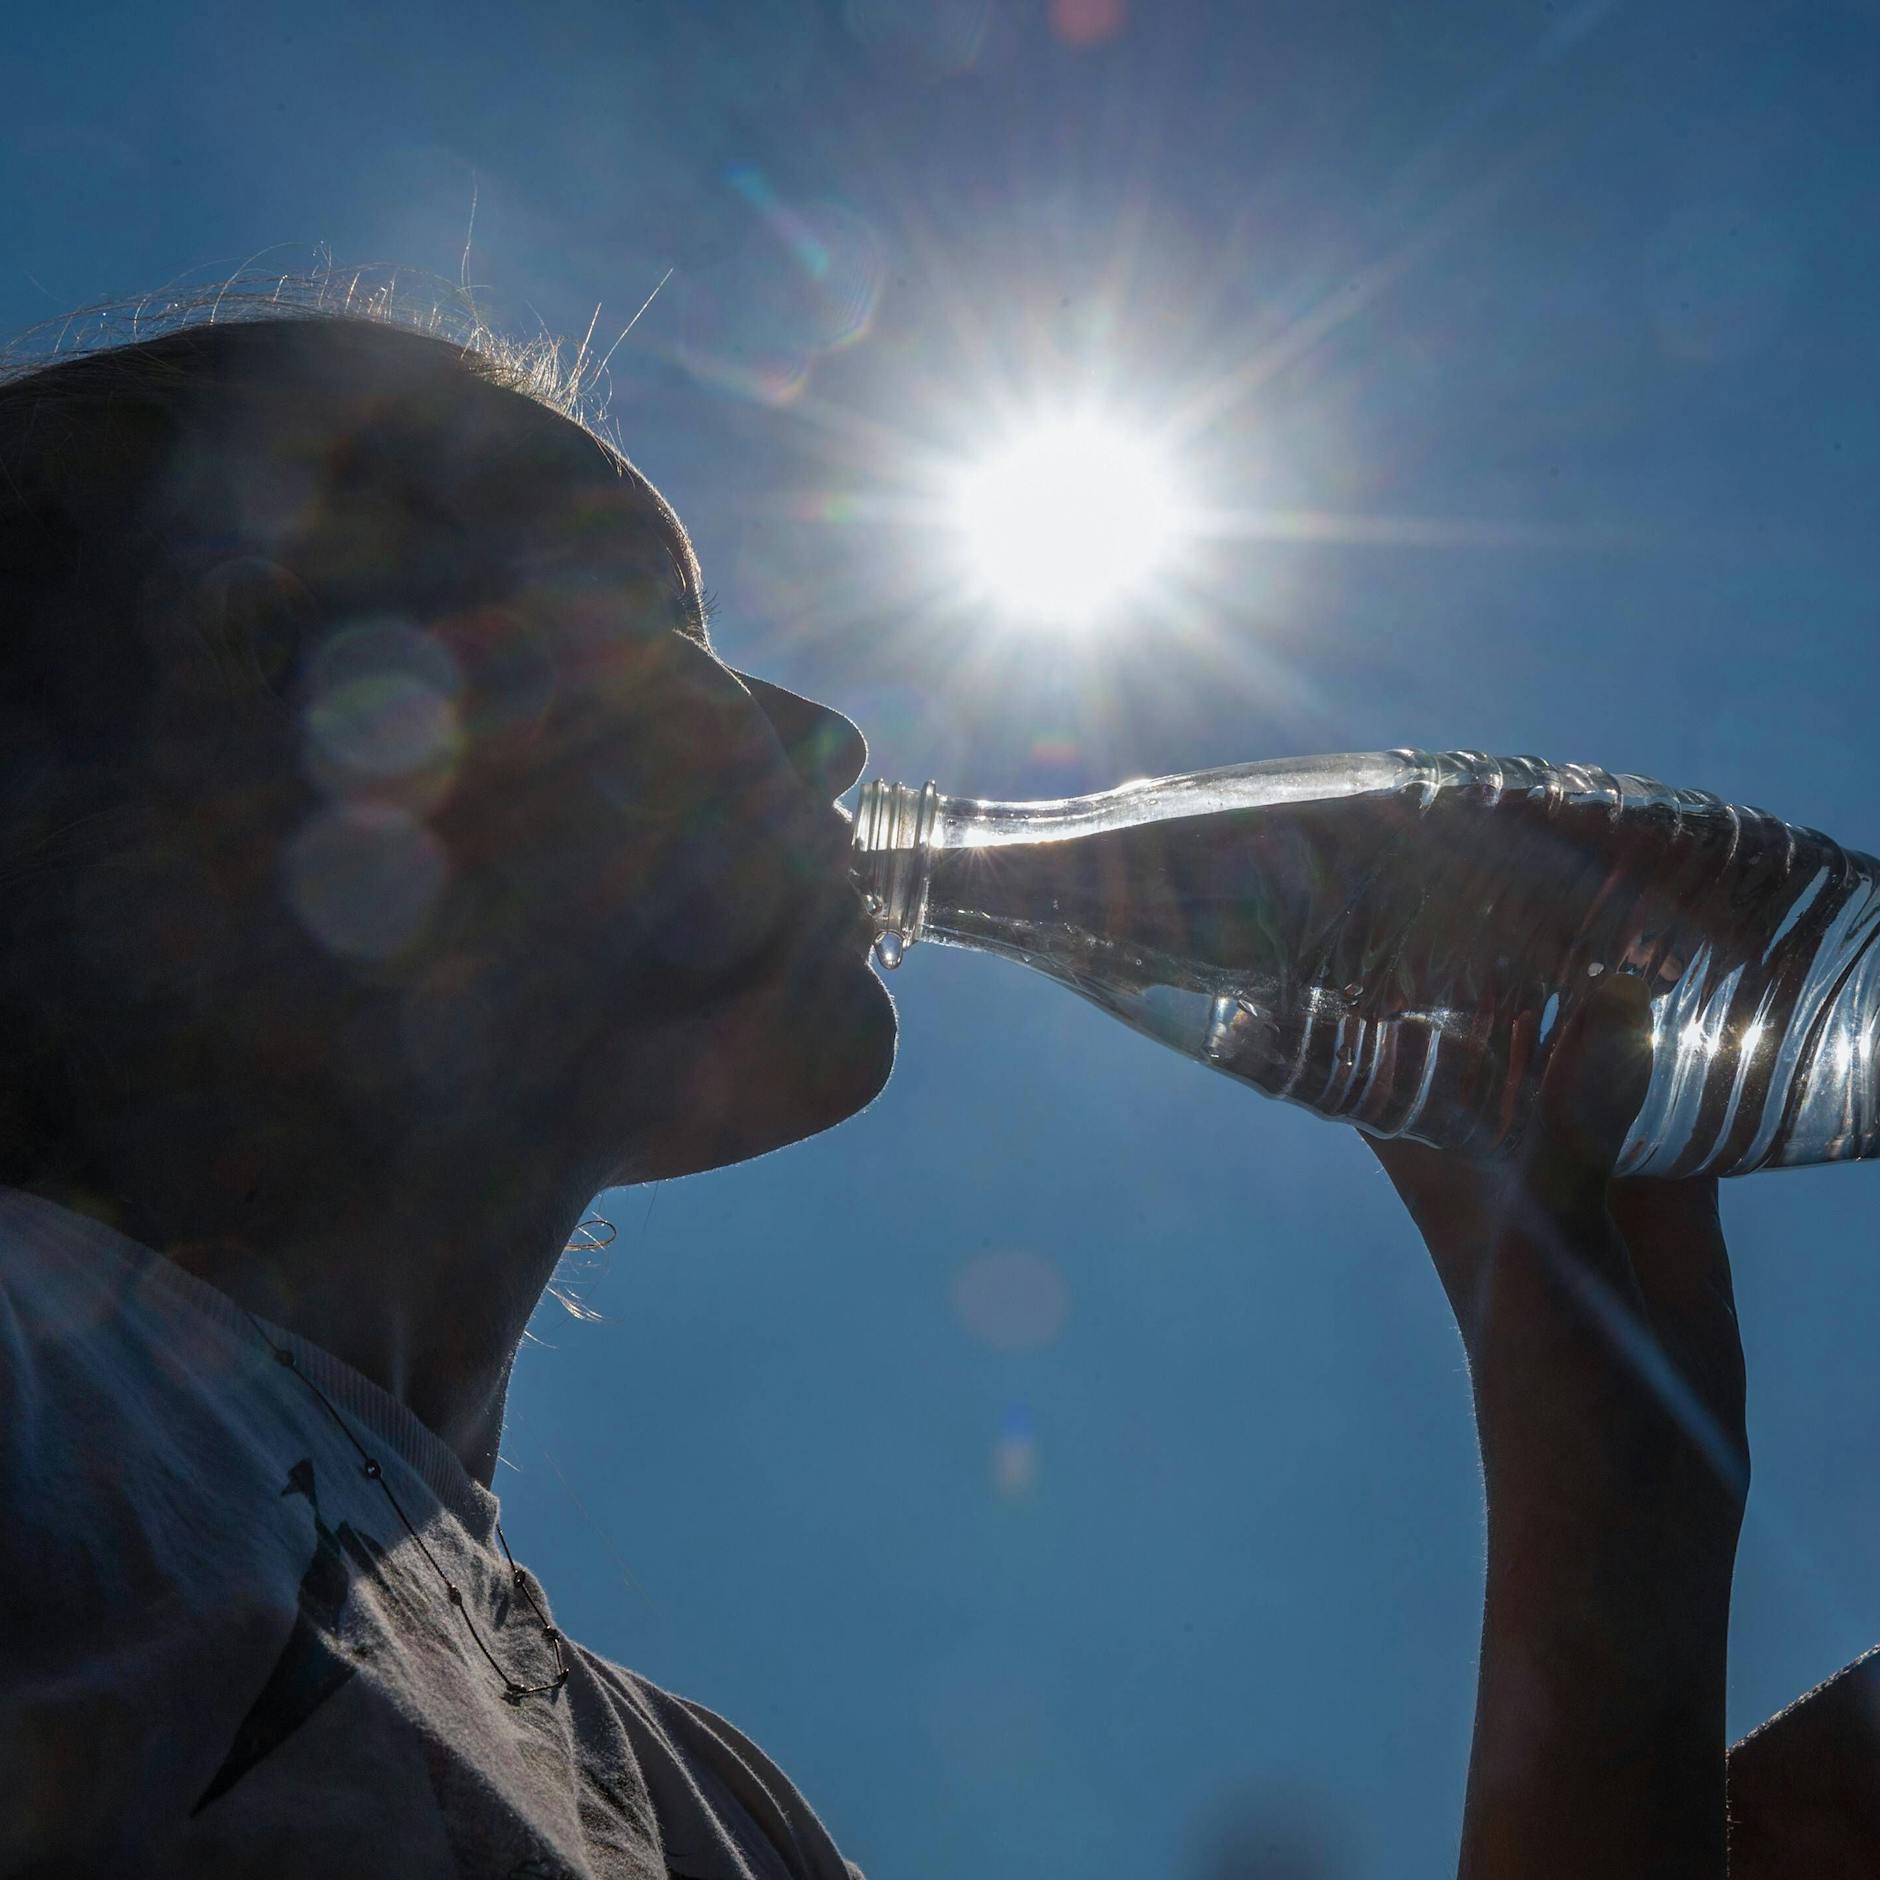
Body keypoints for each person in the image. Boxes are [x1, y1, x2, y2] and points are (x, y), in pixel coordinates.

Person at [0, 300, 1868, 1876]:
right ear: (289, 700)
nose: (825, 734)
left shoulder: (705, 1810)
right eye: (650, 626)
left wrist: (1616, 1517)